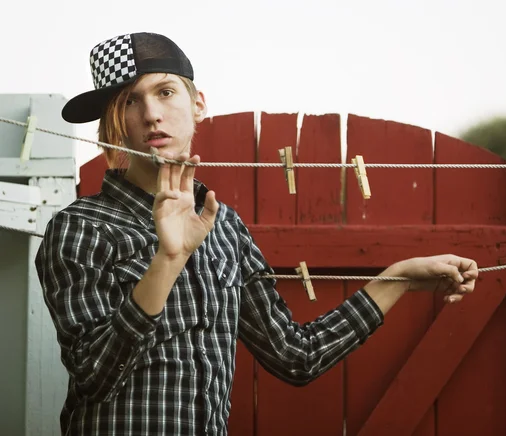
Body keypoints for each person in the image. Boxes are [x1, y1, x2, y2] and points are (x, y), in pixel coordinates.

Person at [35, 32, 479, 436]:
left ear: (197, 104)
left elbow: (295, 355)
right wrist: (167, 261)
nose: (151, 114)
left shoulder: (223, 226)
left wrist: (396, 278)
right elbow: (94, 377)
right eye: (130, 101)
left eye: (165, 92)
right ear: (113, 120)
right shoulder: (80, 228)